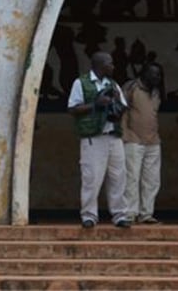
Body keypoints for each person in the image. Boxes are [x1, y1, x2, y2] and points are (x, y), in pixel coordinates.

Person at [68, 51, 131, 229]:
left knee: (118, 176)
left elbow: (123, 107)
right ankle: (89, 215)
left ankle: (119, 215)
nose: (113, 66)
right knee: (92, 178)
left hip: (113, 135)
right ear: (100, 65)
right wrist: (96, 104)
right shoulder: (81, 83)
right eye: (109, 63)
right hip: (93, 138)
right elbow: (73, 108)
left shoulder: (112, 84)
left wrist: (116, 104)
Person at [121, 61, 162, 225]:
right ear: (144, 73)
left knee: (152, 180)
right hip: (133, 139)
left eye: (159, 75)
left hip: (153, 140)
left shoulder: (156, 92)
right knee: (131, 177)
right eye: (154, 74)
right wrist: (125, 134)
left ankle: (146, 214)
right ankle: (130, 213)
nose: (157, 77)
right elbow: (121, 111)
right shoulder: (131, 88)